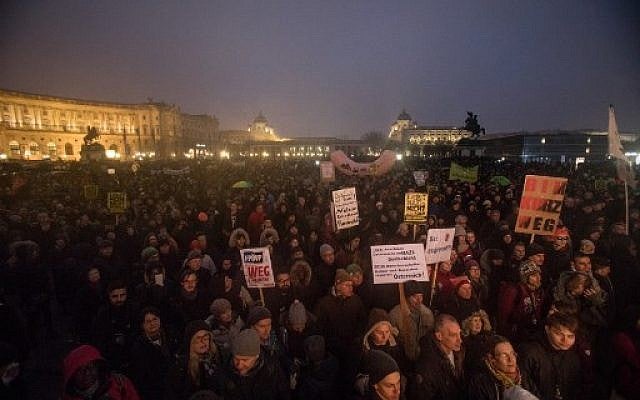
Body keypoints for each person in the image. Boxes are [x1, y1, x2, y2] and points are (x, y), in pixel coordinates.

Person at [519, 312, 581, 400]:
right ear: (547, 329)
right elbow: (524, 387)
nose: (565, 340)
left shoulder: (572, 356)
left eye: (570, 336)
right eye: (559, 334)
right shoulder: (529, 352)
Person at [220, 328, 291, 400]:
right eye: (236, 359)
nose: (239, 365)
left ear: (256, 356)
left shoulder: (272, 370)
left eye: (245, 360)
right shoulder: (226, 370)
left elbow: (284, 394)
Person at [410, 314, 465, 400]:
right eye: (453, 335)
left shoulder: (459, 352)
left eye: (459, 334)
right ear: (439, 336)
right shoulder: (427, 365)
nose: (460, 340)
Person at [467, 335, 537, 400]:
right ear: (492, 359)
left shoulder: (524, 377)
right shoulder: (481, 383)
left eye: (512, 354)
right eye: (504, 355)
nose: (510, 359)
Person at [91, 280, 139, 373]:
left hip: (133, 358)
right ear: (109, 296)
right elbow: (98, 339)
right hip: (112, 360)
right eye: (115, 296)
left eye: (122, 295)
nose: (119, 299)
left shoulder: (133, 309)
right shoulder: (103, 314)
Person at [129, 307, 176, 400]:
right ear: (143, 325)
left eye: (155, 319)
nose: (152, 323)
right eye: (148, 321)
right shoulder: (139, 347)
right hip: (154, 390)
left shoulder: (171, 336)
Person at [166, 320, 222, 399]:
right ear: (190, 342)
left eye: (205, 338)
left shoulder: (215, 357)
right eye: (198, 339)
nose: (203, 342)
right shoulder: (181, 367)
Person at [62, 344, 139, 400]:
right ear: (72, 374)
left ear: (97, 367)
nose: (87, 372)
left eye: (91, 366)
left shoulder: (120, 384)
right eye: (80, 370)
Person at [497, 260, 545, 342]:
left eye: (539, 274)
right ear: (525, 278)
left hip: (530, 331)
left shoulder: (538, 291)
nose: (538, 278)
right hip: (514, 334)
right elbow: (504, 315)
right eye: (533, 275)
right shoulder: (514, 291)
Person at [389, 280, 434, 362]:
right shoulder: (395, 314)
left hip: (422, 357)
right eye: (414, 296)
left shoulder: (427, 314)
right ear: (407, 297)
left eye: (421, 296)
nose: (419, 300)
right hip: (402, 357)